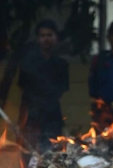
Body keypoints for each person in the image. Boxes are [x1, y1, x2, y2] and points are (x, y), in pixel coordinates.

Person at [18, 19, 69, 152]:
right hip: (31, 117)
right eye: (42, 35)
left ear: (55, 38)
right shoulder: (28, 63)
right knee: (29, 155)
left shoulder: (61, 64)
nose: (46, 39)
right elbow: (23, 87)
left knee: (52, 155)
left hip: (52, 117)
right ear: (38, 38)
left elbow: (62, 90)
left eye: (49, 35)